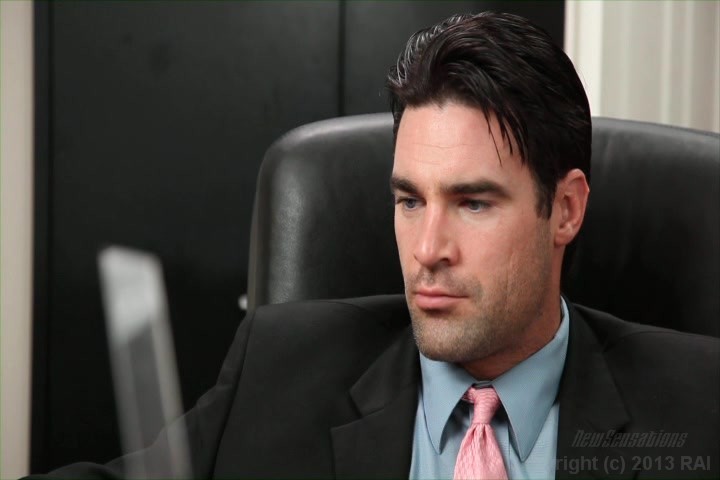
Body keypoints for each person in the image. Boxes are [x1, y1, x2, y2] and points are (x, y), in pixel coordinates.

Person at [30, 11, 718, 480]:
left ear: (564, 209)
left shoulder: (698, 405)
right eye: (409, 200)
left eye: (473, 203)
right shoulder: (279, 371)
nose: (428, 249)